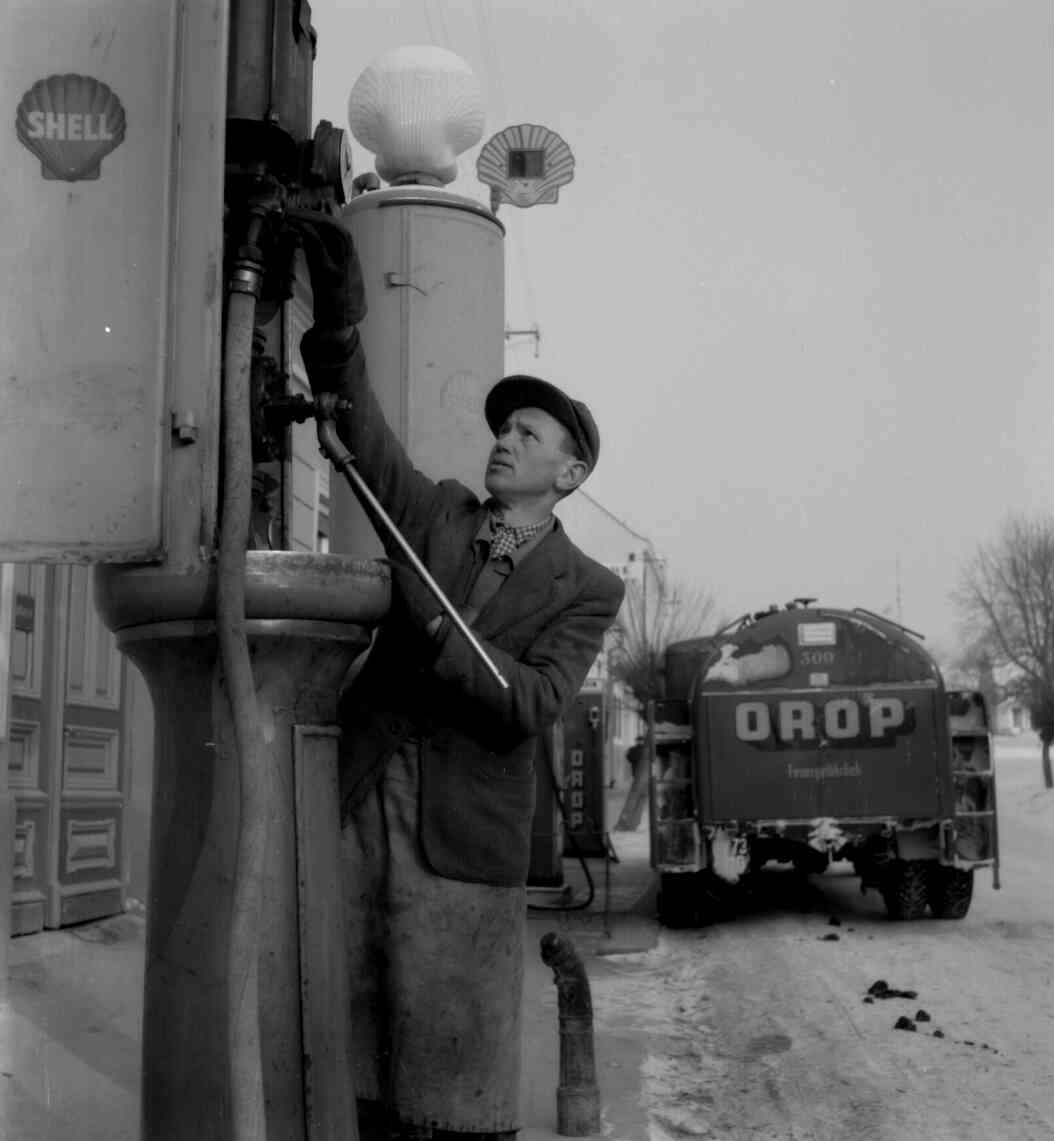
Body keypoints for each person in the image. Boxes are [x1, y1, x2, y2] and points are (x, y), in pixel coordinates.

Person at [292, 212, 625, 1141]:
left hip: (465, 836)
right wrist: (340, 331)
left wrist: (438, 629)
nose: (505, 441)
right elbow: (366, 438)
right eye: (503, 428)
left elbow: (536, 700)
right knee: (357, 1043)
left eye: (528, 433)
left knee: (453, 1064)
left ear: (571, 469)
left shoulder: (589, 587)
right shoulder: (436, 512)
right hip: (365, 801)